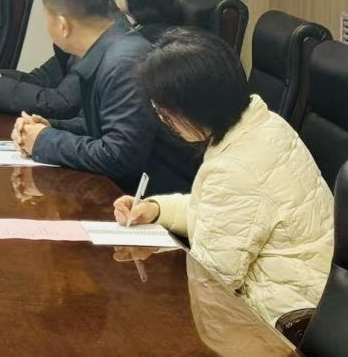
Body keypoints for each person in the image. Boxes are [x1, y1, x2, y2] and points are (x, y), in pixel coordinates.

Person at [114, 29, 333, 324]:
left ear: (196, 106)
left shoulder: (236, 168)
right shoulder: (265, 125)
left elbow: (213, 282)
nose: (164, 121)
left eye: (164, 112)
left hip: (279, 318)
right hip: (315, 295)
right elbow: (218, 213)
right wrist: (156, 209)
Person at [10, 0, 197, 194]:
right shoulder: (113, 49)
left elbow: (119, 157)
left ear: (63, 25)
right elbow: (103, 127)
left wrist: (44, 141)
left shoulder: (124, 63)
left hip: (151, 199)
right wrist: (49, 127)